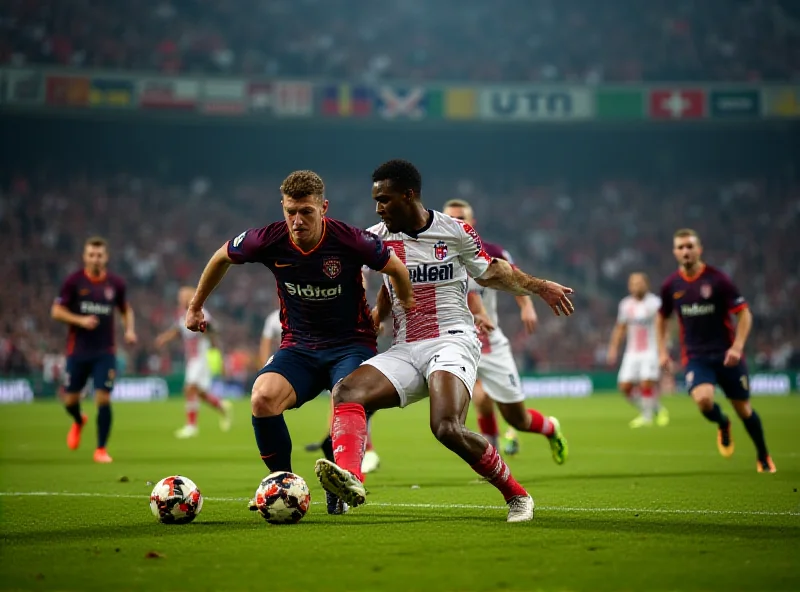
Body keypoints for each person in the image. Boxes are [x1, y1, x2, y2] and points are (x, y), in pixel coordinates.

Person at [315, 160, 575, 522]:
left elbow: (492, 272)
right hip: (405, 348)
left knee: (446, 427)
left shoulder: (454, 231)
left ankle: (517, 496)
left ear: (409, 196)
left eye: (385, 199)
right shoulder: (375, 238)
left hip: (452, 340)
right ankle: (350, 481)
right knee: (345, 392)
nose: (378, 208)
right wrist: (376, 314)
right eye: (376, 201)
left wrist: (540, 286)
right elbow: (387, 281)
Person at [185, 170, 414, 514]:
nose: (297, 220)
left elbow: (397, 269)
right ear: (282, 207)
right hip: (300, 346)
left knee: (347, 397)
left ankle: (345, 478)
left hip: (352, 344)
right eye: (290, 211)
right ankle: (286, 486)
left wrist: (394, 310)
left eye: (306, 211)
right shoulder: (267, 240)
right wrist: (196, 305)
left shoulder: (351, 240)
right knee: (262, 398)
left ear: (324, 207)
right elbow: (221, 257)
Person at [442, 199, 568, 463]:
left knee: (517, 419)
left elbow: (513, 278)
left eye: (461, 218)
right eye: (451, 219)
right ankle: (492, 460)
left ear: (472, 223)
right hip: (456, 343)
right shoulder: (435, 254)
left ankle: (550, 428)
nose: (456, 223)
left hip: (491, 342)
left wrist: (526, 305)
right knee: (480, 397)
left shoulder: (491, 252)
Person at [656, 229, 775, 473]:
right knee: (703, 399)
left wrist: (738, 346)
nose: (686, 251)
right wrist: (662, 351)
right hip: (696, 356)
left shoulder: (718, 280)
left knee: (744, 410)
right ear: (674, 252)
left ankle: (763, 455)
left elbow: (744, 313)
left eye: (690, 246)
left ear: (699, 249)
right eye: (681, 247)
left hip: (727, 355)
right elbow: (661, 318)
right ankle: (722, 422)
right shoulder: (671, 285)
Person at [51, 236, 137, 463]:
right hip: (77, 351)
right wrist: (80, 320)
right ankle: (79, 420)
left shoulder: (115, 284)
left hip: (105, 352)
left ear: (106, 257)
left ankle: (100, 449)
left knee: (103, 399)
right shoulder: (74, 282)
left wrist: (129, 330)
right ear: (84, 256)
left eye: (99, 255)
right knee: (70, 402)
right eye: (91, 254)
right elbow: (57, 311)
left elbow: (126, 309)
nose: (95, 258)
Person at [155, 286, 233, 438]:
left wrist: (220, 358)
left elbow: (212, 333)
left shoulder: (201, 312)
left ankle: (191, 426)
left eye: (183, 296)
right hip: (191, 358)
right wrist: (164, 338)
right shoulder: (182, 314)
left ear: (192, 297)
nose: (180, 299)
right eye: (179, 296)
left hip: (202, 356)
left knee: (190, 388)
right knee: (200, 392)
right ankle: (221, 406)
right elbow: (177, 330)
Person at [606, 272, 669, 428]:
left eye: (639, 283)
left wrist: (664, 349)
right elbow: (620, 328)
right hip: (632, 352)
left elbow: (664, 326)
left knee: (646, 382)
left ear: (646, 284)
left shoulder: (655, 303)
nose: (636, 286)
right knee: (624, 387)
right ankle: (657, 408)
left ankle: (646, 418)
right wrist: (613, 348)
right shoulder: (625, 305)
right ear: (629, 286)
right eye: (633, 283)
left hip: (651, 350)